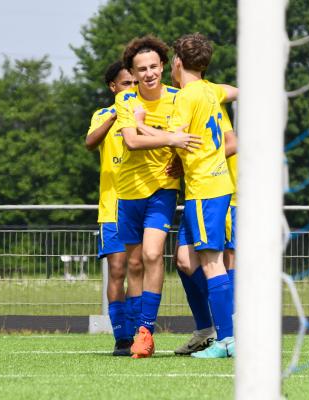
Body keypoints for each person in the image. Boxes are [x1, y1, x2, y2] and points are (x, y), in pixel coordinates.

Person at [114, 35, 201, 359]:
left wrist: (178, 149)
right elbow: (132, 142)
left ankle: (145, 332)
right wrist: (171, 139)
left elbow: (191, 139)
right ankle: (135, 330)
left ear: (163, 66)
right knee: (133, 263)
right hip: (127, 192)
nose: (149, 73)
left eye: (154, 66)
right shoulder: (126, 100)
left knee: (152, 255)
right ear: (133, 73)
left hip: (162, 191)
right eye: (142, 69)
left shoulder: (180, 98)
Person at [170, 32, 236, 359]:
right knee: (185, 258)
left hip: (205, 188)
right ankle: (209, 327)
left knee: (212, 263)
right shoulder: (211, 90)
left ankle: (228, 338)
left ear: (177, 62)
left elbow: (175, 137)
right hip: (208, 187)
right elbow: (238, 92)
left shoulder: (185, 96)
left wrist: (141, 127)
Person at [85, 61, 136, 356]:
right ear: (113, 87)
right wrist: (116, 114)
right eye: (125, 84)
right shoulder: (103, 114)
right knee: (117, 269)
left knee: (138, 268)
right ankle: (121, 336)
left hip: (139, 202)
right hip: (112, 206)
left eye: (134, 83)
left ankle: (137, 331)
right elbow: (90, 143)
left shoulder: (148, 112)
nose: (131, 88)